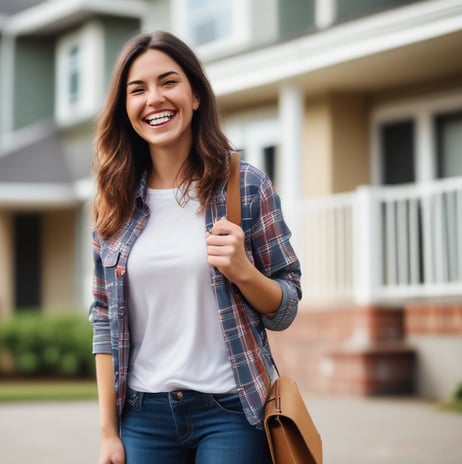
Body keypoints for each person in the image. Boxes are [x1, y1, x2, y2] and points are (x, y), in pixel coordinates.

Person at [89, 30, 302, 464]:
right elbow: (103, 323)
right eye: (138, 89)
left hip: (230, 411)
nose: (154, 99)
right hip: (143, 416)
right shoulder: (114, 202)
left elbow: (286, 307)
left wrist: (243, 270)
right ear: (125, 107)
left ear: (196, 95)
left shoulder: (244, 185)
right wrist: (109, 433)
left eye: (169, 82)